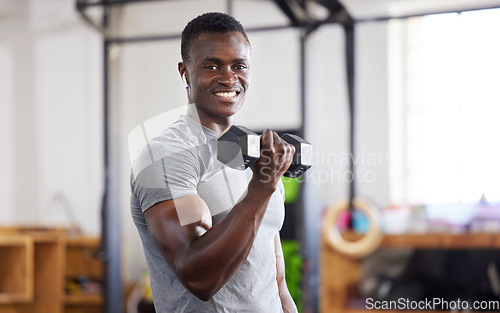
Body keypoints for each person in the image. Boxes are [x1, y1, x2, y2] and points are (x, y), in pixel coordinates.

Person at [130, 12, 298, 313]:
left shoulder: (259, 157)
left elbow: (276, 280)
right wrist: (261, 188)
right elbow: (199, 278)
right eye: (212, 65)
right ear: (185, 72)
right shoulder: (166, 158)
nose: (229, 77)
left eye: (239, 66)